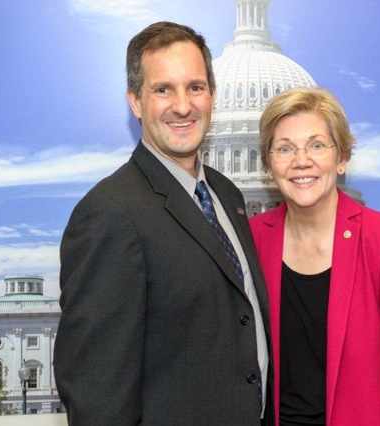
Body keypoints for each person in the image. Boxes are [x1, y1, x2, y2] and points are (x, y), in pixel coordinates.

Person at [54, 22, 272, 425]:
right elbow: (96, 394)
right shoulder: (108, 214)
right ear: (135, 101)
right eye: (162, 89)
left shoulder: (227, 196)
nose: (183, 106)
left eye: (194, 87)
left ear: (212, 95)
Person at [249, 87, 380, 426]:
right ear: (268, 164)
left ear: (343, 158)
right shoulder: (250, 239)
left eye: (317, 145)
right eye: (285, 148)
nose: (301, 160)